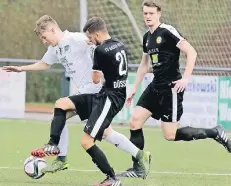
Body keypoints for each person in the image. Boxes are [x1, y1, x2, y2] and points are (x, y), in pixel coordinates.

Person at [2, 15, 151, 176]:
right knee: (106, 133)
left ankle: (60, 155)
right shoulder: (54, 48)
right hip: (87, 91)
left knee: (60, 108)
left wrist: (96, 53)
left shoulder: (76, 39)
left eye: (44, 37)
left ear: (53, 30)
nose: (44, 41)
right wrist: (21, 69)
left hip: (94, 91)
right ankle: (140, 155)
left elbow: (98, 45)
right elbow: (44, 64)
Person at [117, 0, 231, 178]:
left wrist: (186, 78)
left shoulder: (168, 31)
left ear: (159, 13)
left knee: (169, 135)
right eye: (145, 13)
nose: (147, 16)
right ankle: (138, 167)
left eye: (151, 13)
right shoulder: (147, 37)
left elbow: (191, 52)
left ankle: (215, 132)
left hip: (171, 87)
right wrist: (133, 88)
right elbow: (144, 65)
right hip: (155, 86)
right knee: (135, 121)